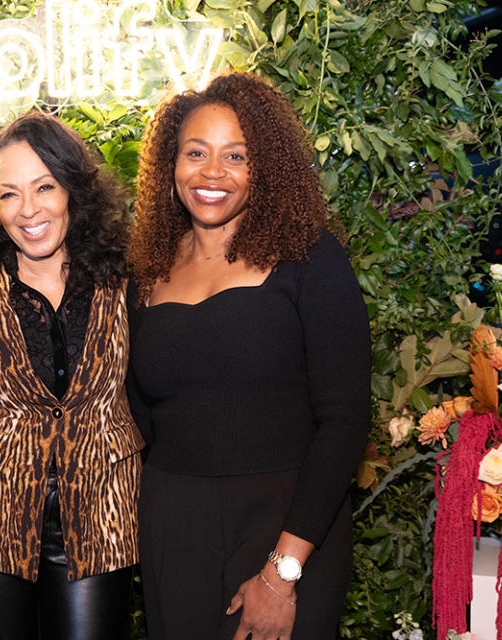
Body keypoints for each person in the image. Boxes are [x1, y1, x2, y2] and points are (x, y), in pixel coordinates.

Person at [126, 72, 371, 640]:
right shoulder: (145, 273)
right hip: (174, 528)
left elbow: (344, 421)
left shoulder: (309, 259)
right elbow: (139, 412)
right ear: (171, 165)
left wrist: (282, 574)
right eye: (196, 153)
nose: (213, 173)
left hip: (288, 529)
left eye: (236, 155)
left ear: (265, 167)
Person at [0, 111, 144, 640]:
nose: (28, 209)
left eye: (44, 187)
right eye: (9, 193)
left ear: (73, 191)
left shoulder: (128, 275)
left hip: (102, 514)